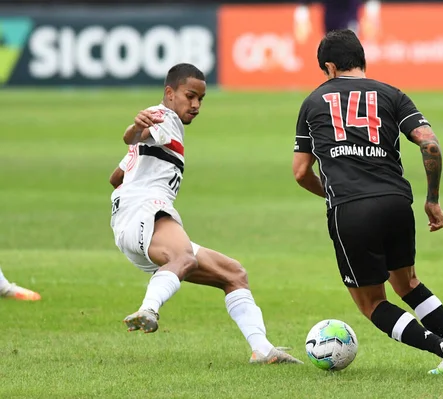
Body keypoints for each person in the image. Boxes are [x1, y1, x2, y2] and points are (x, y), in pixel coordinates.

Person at [292, 30, 443, 376]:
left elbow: (301, 172)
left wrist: (332, 193)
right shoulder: (393, 95)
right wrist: (433, 200)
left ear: (330, 67)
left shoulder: (312, 102)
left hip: (350, 208)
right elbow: (430, 145)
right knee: (407, 282)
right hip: (396, 201)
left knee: (372, 303)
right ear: (362, 60)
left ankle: (442, 346)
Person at [109, 63, 302, 365]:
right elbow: (134, 134)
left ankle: (262, 350)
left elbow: (116, 177)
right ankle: (148, 309)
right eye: (190, 96)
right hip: (145, 212)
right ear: (169, 93)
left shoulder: (165, 130)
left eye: (201, 99)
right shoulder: (166, 117)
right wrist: (134, 129)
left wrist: (138, 151)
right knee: (183, 258)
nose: (196, 105)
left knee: (234, 274)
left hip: (131, 223)